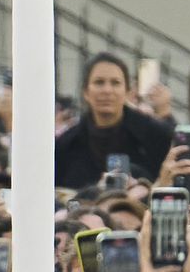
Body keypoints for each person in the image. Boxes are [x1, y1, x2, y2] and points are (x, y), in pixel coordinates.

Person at [53, 52, 175, 192]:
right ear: (85, 91)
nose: (107, 90)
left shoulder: (156, 136)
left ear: (127, 91)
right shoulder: (66, 144)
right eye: (99, 82)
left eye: (115, 83)